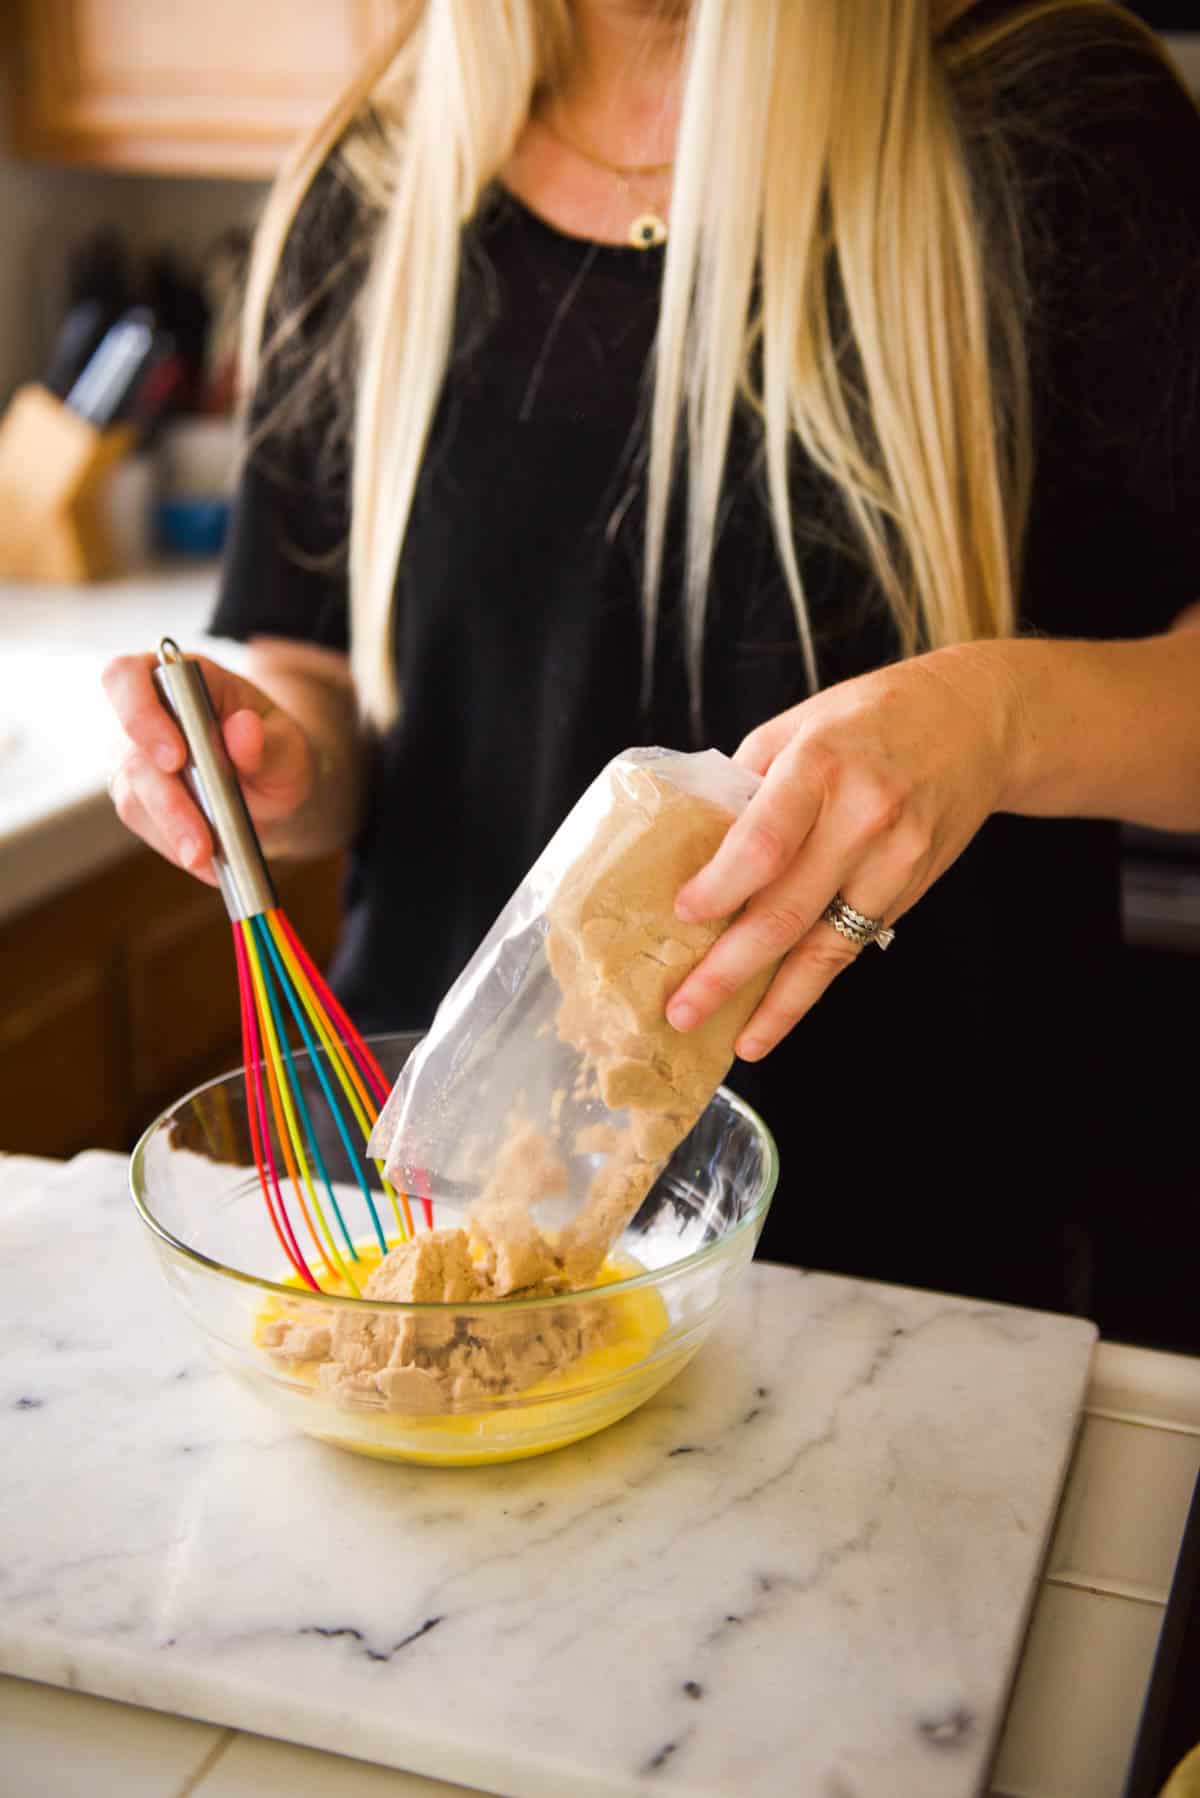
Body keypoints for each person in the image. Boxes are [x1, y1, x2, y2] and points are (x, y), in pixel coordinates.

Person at [103, 0, 1200, 1321]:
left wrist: (997, 720)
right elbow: (321, 680)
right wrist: (276, 752)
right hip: (434, 1240)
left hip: (903, 1283)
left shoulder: (1056, 127)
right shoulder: (378, 180)